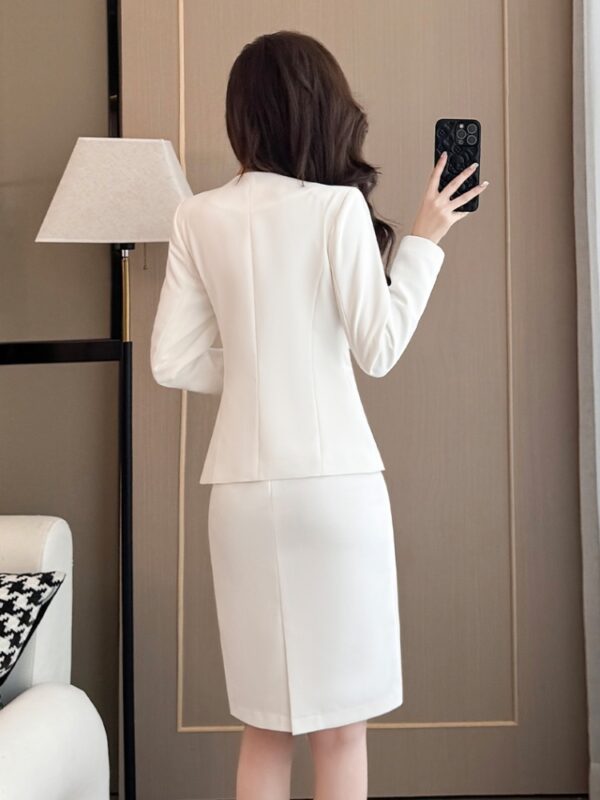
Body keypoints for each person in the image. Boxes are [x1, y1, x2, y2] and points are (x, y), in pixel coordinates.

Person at [150, 29, 489, 800]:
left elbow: (171, 361)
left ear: (244, 116)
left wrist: (257, 365)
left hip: (240, 497)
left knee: (266, 725)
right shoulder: (337, 209)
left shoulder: (196, 217)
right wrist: (427, 237)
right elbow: (379, 347)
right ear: (324, 109)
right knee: (340, 728)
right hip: (335, 490)